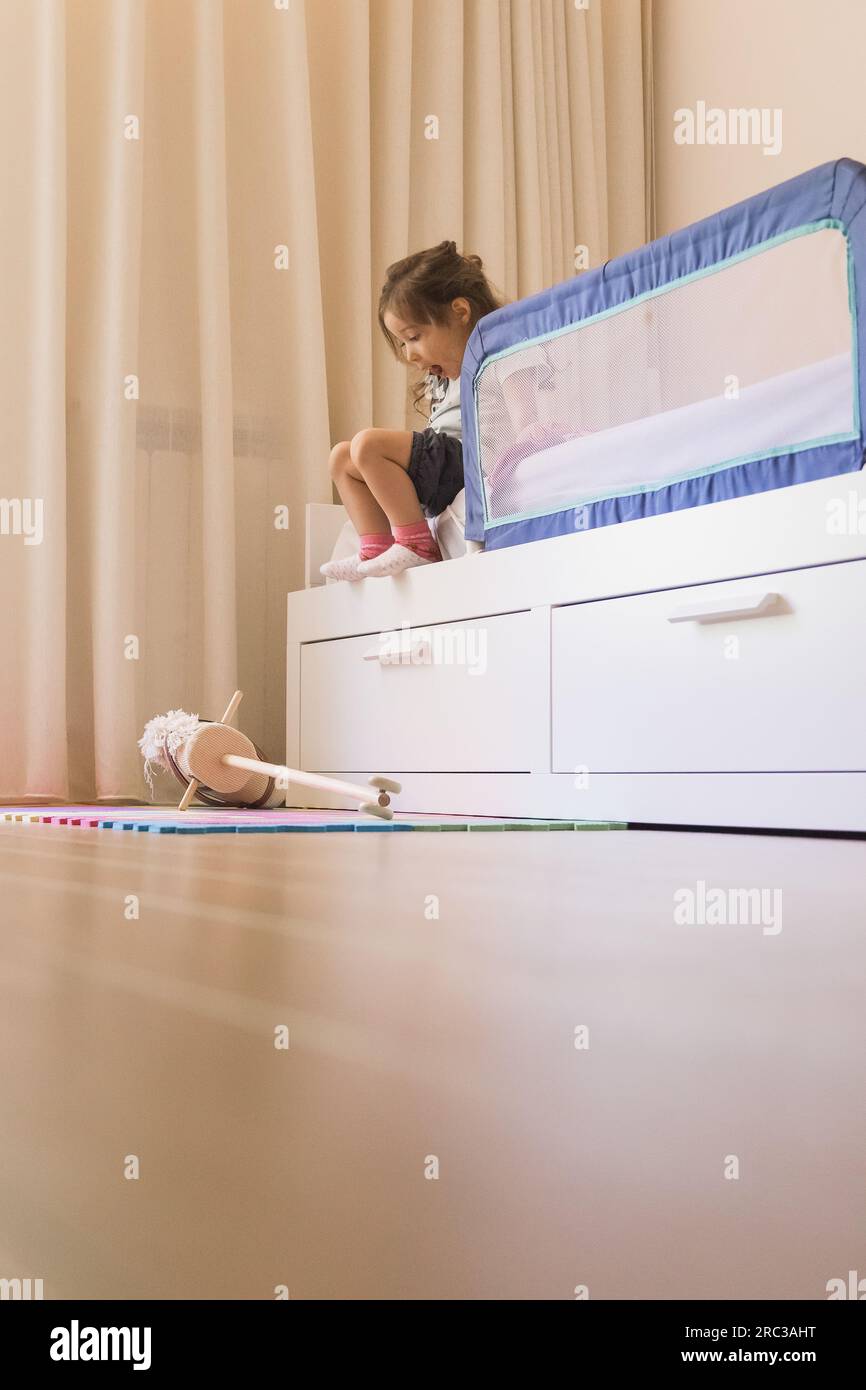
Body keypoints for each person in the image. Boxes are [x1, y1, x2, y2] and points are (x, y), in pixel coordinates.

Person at [320, 239, 550, 581]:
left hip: (469, 462)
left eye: (414, 337)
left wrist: (529, 446)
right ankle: (377, 547)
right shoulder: (442, 380)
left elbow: (526, 425)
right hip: (443, 464)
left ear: (459, 312)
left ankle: (417, 545)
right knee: (341, 458)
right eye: (403, 342)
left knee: (368, 445)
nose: (409, 354)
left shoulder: (502, 348)